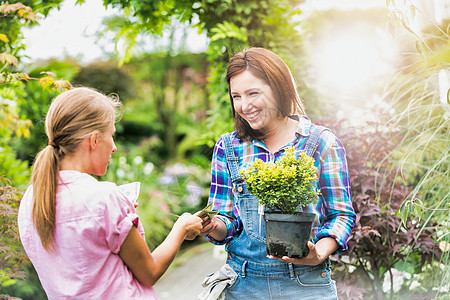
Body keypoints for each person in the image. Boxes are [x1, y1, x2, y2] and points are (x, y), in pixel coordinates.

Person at [199, 48, 356, 299]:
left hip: (307, 284)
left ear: (279, 88)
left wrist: (318, 253)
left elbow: (341, 215)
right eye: (236, 96)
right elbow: (226, 221)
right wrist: (211, 225)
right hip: (244, 285)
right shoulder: (228, 148)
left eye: (253, 93)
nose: (244, 105)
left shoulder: (321, 143)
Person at [18, 87, 202, 299]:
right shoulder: (104, 198)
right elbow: (149, 272)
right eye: (111, 135)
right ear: (94, 140)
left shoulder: (31, 199)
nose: (114, 147)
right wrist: (181, 228)